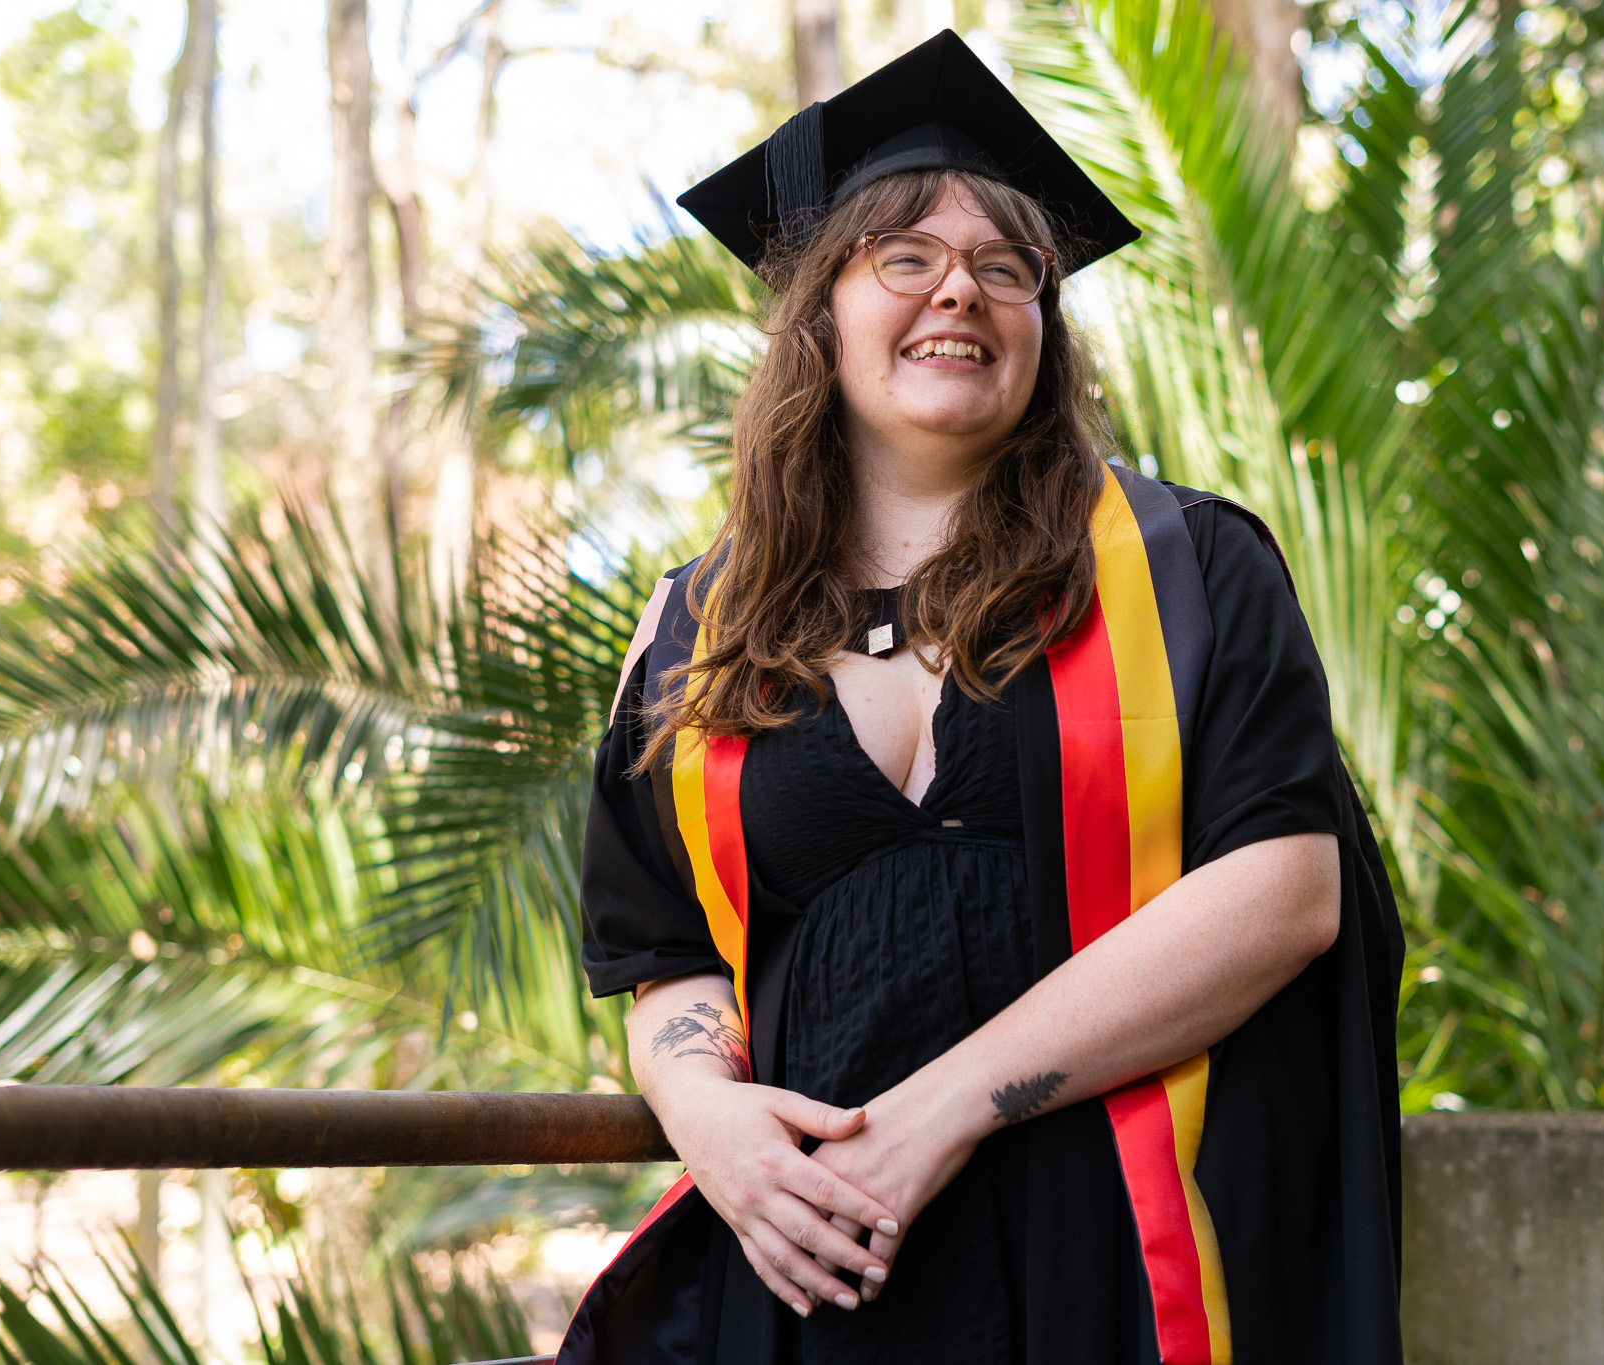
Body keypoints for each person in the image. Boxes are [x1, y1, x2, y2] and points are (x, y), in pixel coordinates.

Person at [561, 30, 1404, 1365]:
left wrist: (943, 1109)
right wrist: (708, 1121)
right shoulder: (691, 635)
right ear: (821, 310)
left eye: (1006, 268)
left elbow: (1288, 890)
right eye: (907, 256)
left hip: (1122, 1258)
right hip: (819, 1273)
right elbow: (662, 953)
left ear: (1041, 326)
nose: (960, 289)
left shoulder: (1188, 567)